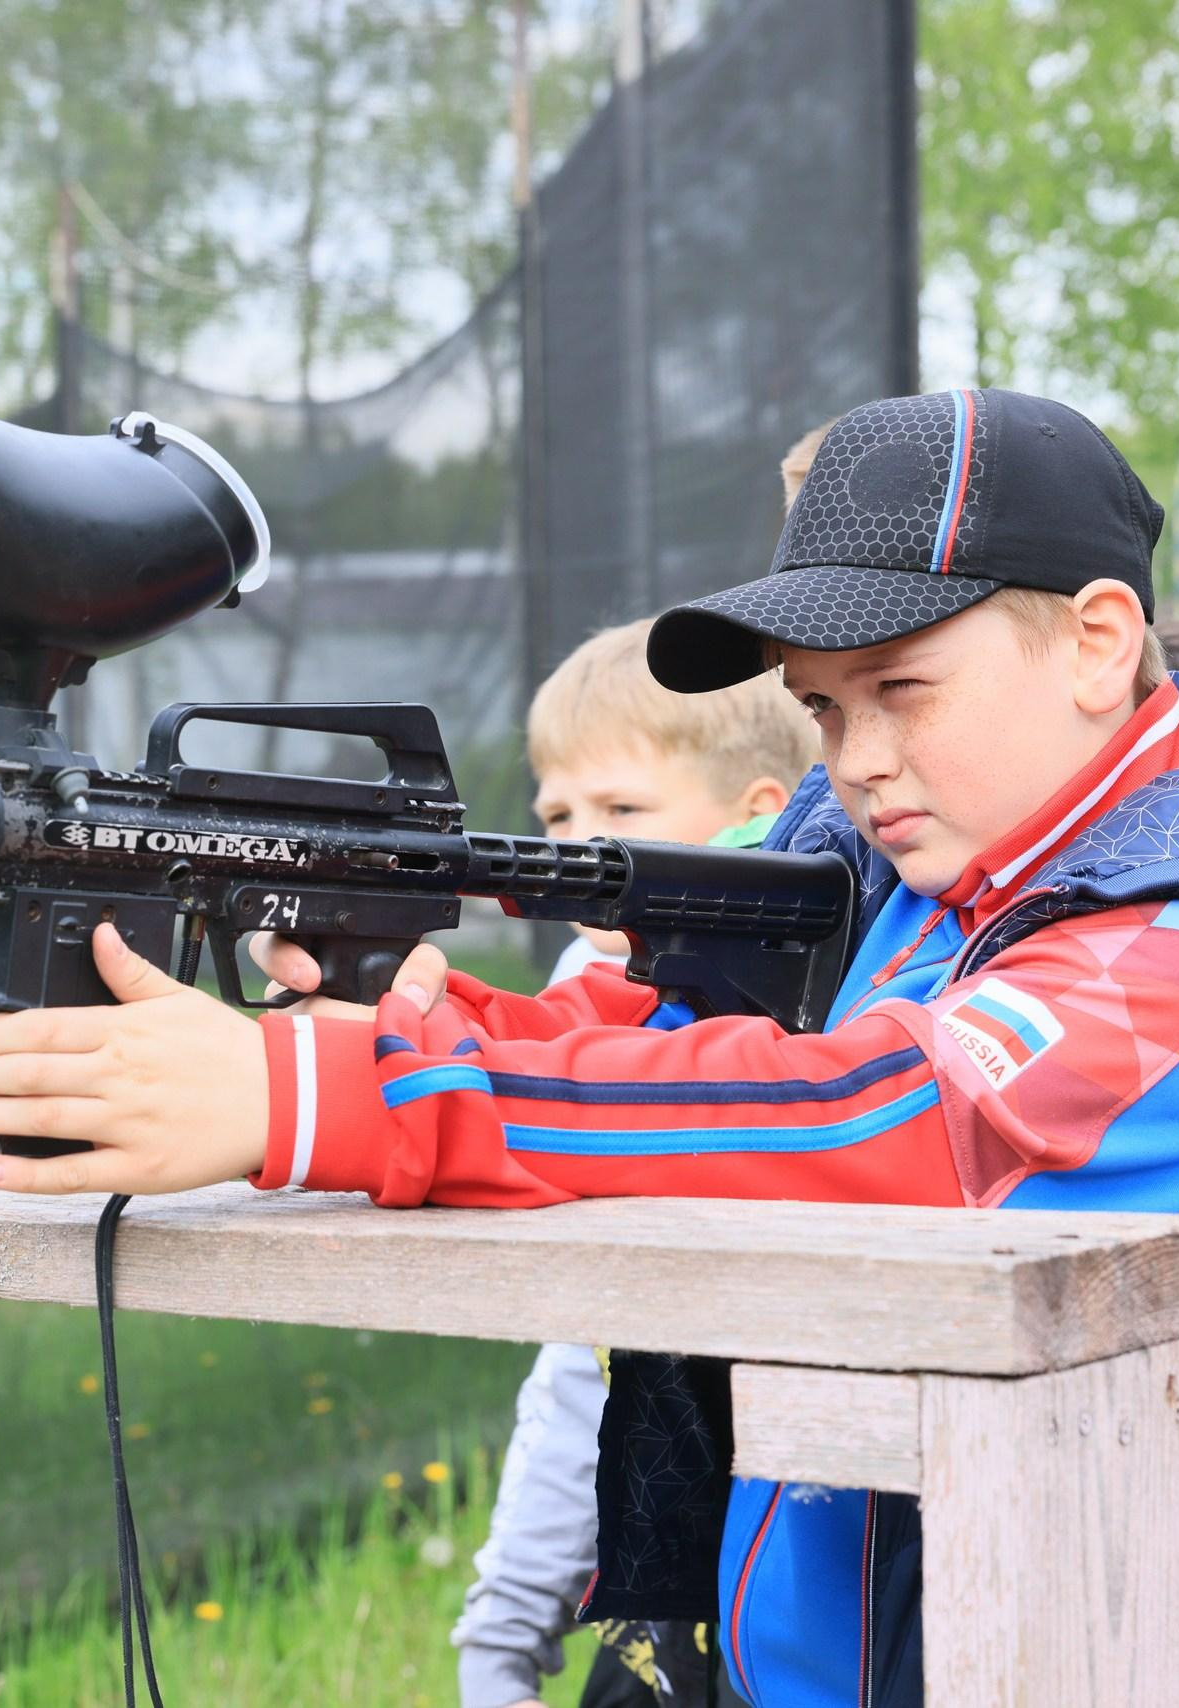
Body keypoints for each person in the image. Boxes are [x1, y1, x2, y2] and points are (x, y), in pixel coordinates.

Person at [0, 390, 1179, 1706]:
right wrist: (389, 1027)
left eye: (904, 690)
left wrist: (324, 1097)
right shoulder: (912, 871)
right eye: (823, 711)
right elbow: (642, 1039)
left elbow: (876, 1116)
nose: (858, 762)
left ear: (1096, 641)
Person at [459, 515, 822, 1708]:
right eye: (557, 817)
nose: (575, 847)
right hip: (664, 1549)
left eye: (619, 811)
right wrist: (507, 1617)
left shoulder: (816, 995)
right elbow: (580, 1360)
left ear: (759, 815)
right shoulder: (582, 991)